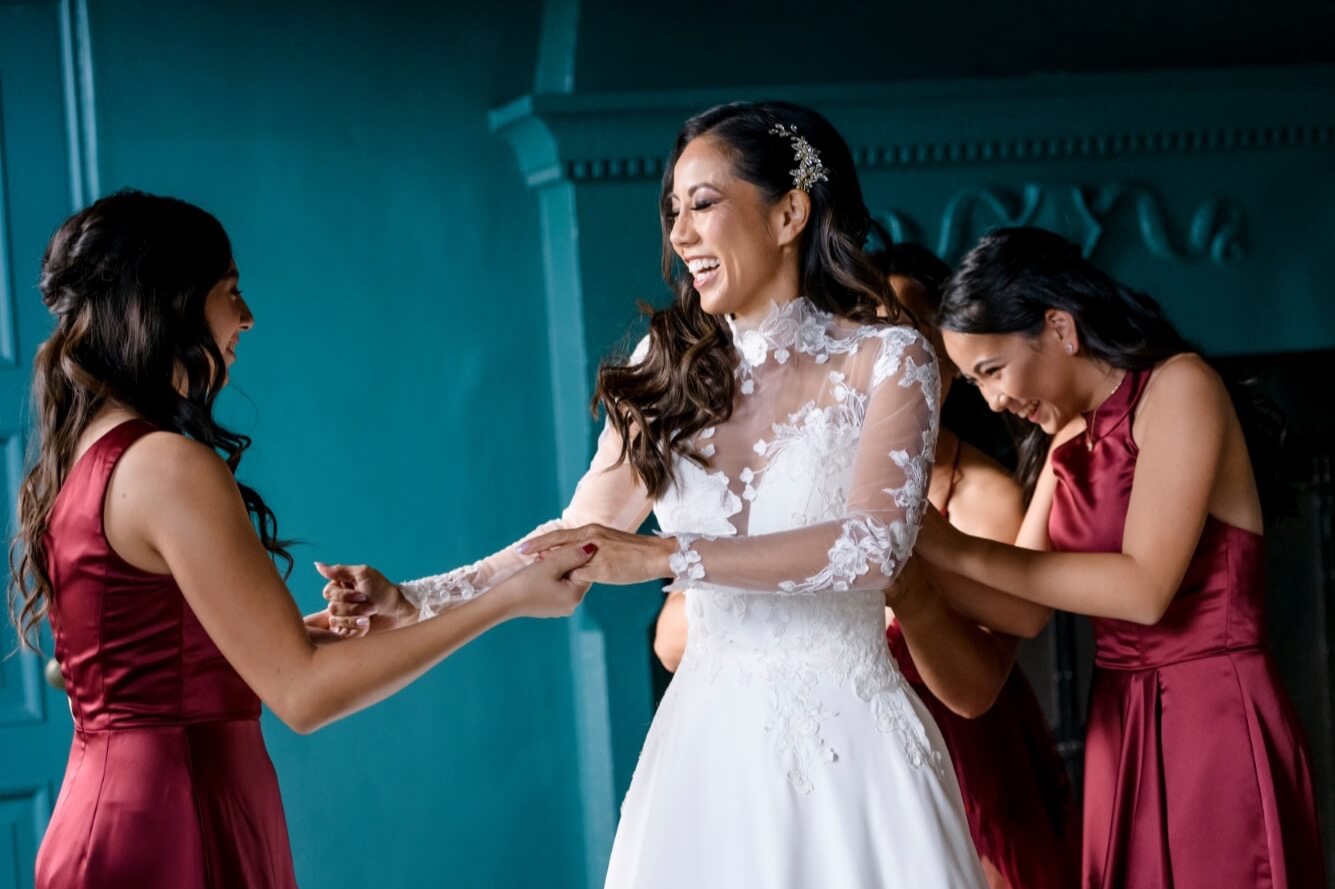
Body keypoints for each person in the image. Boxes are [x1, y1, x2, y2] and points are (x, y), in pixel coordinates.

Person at [323, 102, 988, 887]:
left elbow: (872, 546)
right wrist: (418, 597)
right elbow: (582, 532)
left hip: (854, 752)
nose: (677, 234)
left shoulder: (887, 359)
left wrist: (667, 553)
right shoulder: (664, 364)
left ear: (789, 213)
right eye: (672, 210)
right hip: (703, 758)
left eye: (702, 203)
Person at [9, 190, 596, 889]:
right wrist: (507, 601)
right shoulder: (167, 464)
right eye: (230, 292)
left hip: (121, 810)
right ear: (167, 300)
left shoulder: (87, 452)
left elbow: (163, 664)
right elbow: (303, 695)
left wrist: (319, 633)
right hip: (172, 824)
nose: (248, 318)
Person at [653, 240, 1080, 889]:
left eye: (908, 338)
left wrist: (893, 575)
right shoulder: (792, 472)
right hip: (813, 773)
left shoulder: (980, 495)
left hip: (959, 771)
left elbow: (973, 692)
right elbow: (671, 641)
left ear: (945, 360)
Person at [913, 226, 1325, 889]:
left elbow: (1143, 587)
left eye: (991, 370)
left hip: (1210, 708)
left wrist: (952, 546)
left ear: (1058, 327)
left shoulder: (1179, 386)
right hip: (1117, 722)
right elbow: (1021, 609)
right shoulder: (1065, 442)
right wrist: (908, 561)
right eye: (973, 382)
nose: (991, 401)